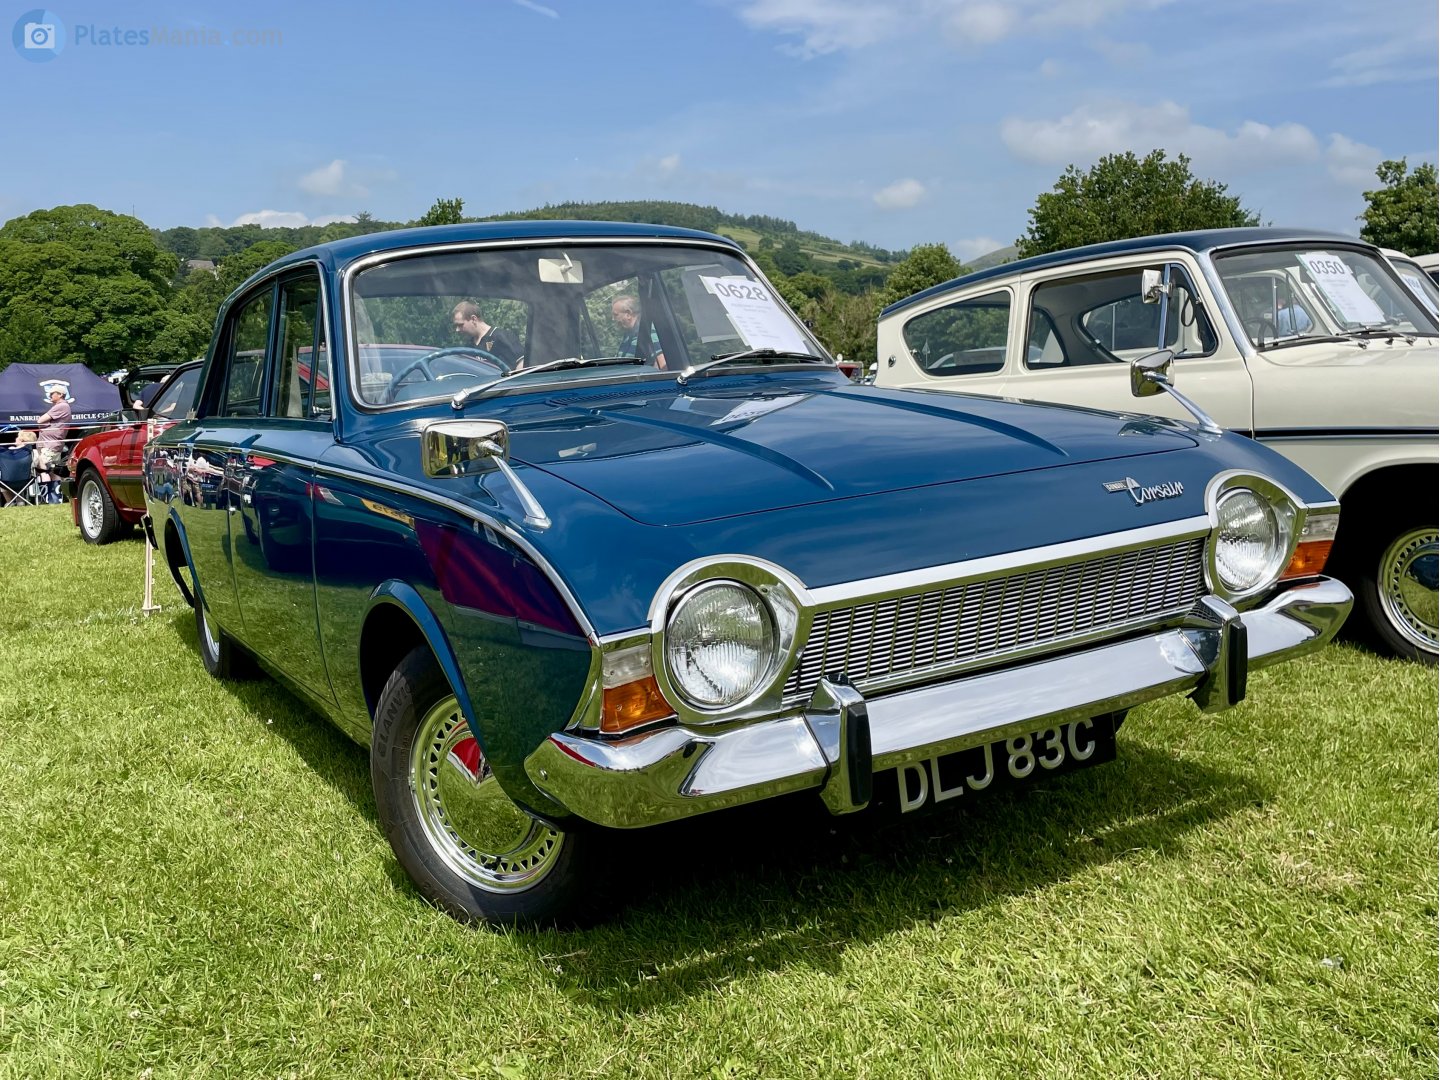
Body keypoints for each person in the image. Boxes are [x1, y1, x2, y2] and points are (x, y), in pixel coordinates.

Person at [451, 301, 524, 368]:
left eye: (460, 325)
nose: (457, 330)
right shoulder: (469, 345)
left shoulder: (502, 337)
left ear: (474, 319)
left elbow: (522, 363)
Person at [34, 386, 70, 503]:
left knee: (43, 470)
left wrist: (44, 425)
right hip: (53, 444)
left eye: (52, 393)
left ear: (60, 394)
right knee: (53, 471)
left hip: (49, 444)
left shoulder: (61, 406)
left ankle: (47, 499)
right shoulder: (63, 407)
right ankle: (56, 499)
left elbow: (40, 420)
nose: (50, 396)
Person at [610, 295, 666, 369]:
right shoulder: (628, 336)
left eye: (616, 315)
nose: (613, 319)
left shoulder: (648, 332)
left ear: (628, 314)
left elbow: (662, 364)